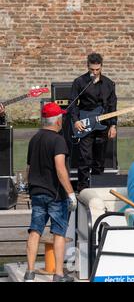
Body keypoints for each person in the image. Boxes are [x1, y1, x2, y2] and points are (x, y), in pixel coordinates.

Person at [24, 102, 77, 282]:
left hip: (37, 192)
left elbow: (28, 169)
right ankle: (59, 274)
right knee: (59, 233)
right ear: (57, 121)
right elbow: (60, 169)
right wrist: (71, 194)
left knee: (35, 231)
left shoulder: (34, 139)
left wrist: (29, 187)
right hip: (55, 194)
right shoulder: (58, 140)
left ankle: (30, 273)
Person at [69, 52, 117, 192]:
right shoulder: (79, 82)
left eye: (97, 69)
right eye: (92, 69)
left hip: (103, 124)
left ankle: (97, 186)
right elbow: (72, 103)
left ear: (101, 67)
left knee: (100, 157)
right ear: (87, 67)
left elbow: (113, 105)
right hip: (85, 123)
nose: (95, 72)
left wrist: (113, 125)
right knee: (85, 157)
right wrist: (76, 120)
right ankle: (82, 188)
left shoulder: (109, 83)